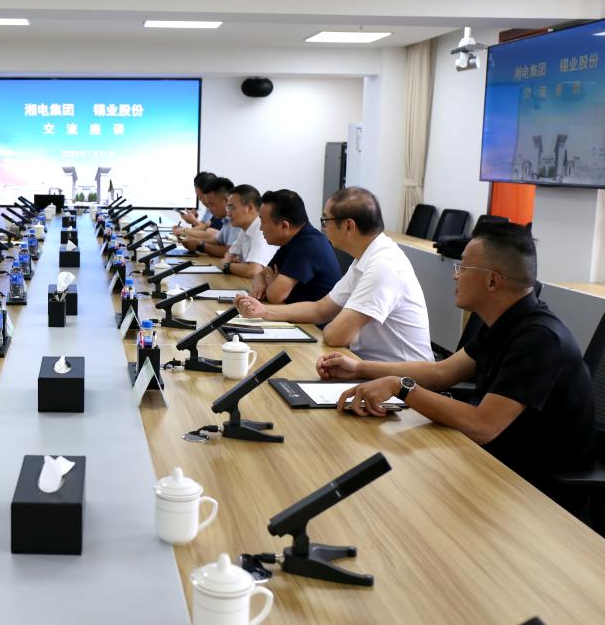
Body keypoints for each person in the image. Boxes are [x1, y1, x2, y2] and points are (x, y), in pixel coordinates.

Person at [319, 222, 595, 515]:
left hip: (534, 493)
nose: (456, 275)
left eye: (463, 267)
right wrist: (359, 368)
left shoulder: (540, 339)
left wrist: (401, 387)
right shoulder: (505, 322)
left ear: (492, 281)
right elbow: (442, 373)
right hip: (493, 463)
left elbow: (483, 426)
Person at [236, 187, 432, 362]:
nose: (323, 227)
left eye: (325, 220)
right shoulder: (365, 258)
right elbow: (320, 309)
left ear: (348, 226)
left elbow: (335, 335)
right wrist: (263, 311)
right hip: (367, 366)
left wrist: (333, 325)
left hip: (403, 380)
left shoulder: (383, 266)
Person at [251, 189, 341, 304]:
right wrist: (260, 284)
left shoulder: (308, 246)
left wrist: (271, 287)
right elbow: (261, 274)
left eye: (263, 222)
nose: (260, 228)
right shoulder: (294, 239)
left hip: (313, 316)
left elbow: (275, 296)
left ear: (284, 226)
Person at [220, 184, 277, 279]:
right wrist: (233, 263)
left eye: (231, 208)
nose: (228, 213)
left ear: (250, 208)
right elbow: (228, 253)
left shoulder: (261, 230)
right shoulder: (246, 228)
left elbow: (254, 271)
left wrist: (227, 265)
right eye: (228, 208)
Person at [174, 177, 237, 257]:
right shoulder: (225, 219)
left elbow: (231, 252)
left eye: (211, 204)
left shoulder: (237, 219)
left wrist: (200, 245)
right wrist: (193, 241)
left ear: (226, 201)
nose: (209, 209)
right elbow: (217, 241)